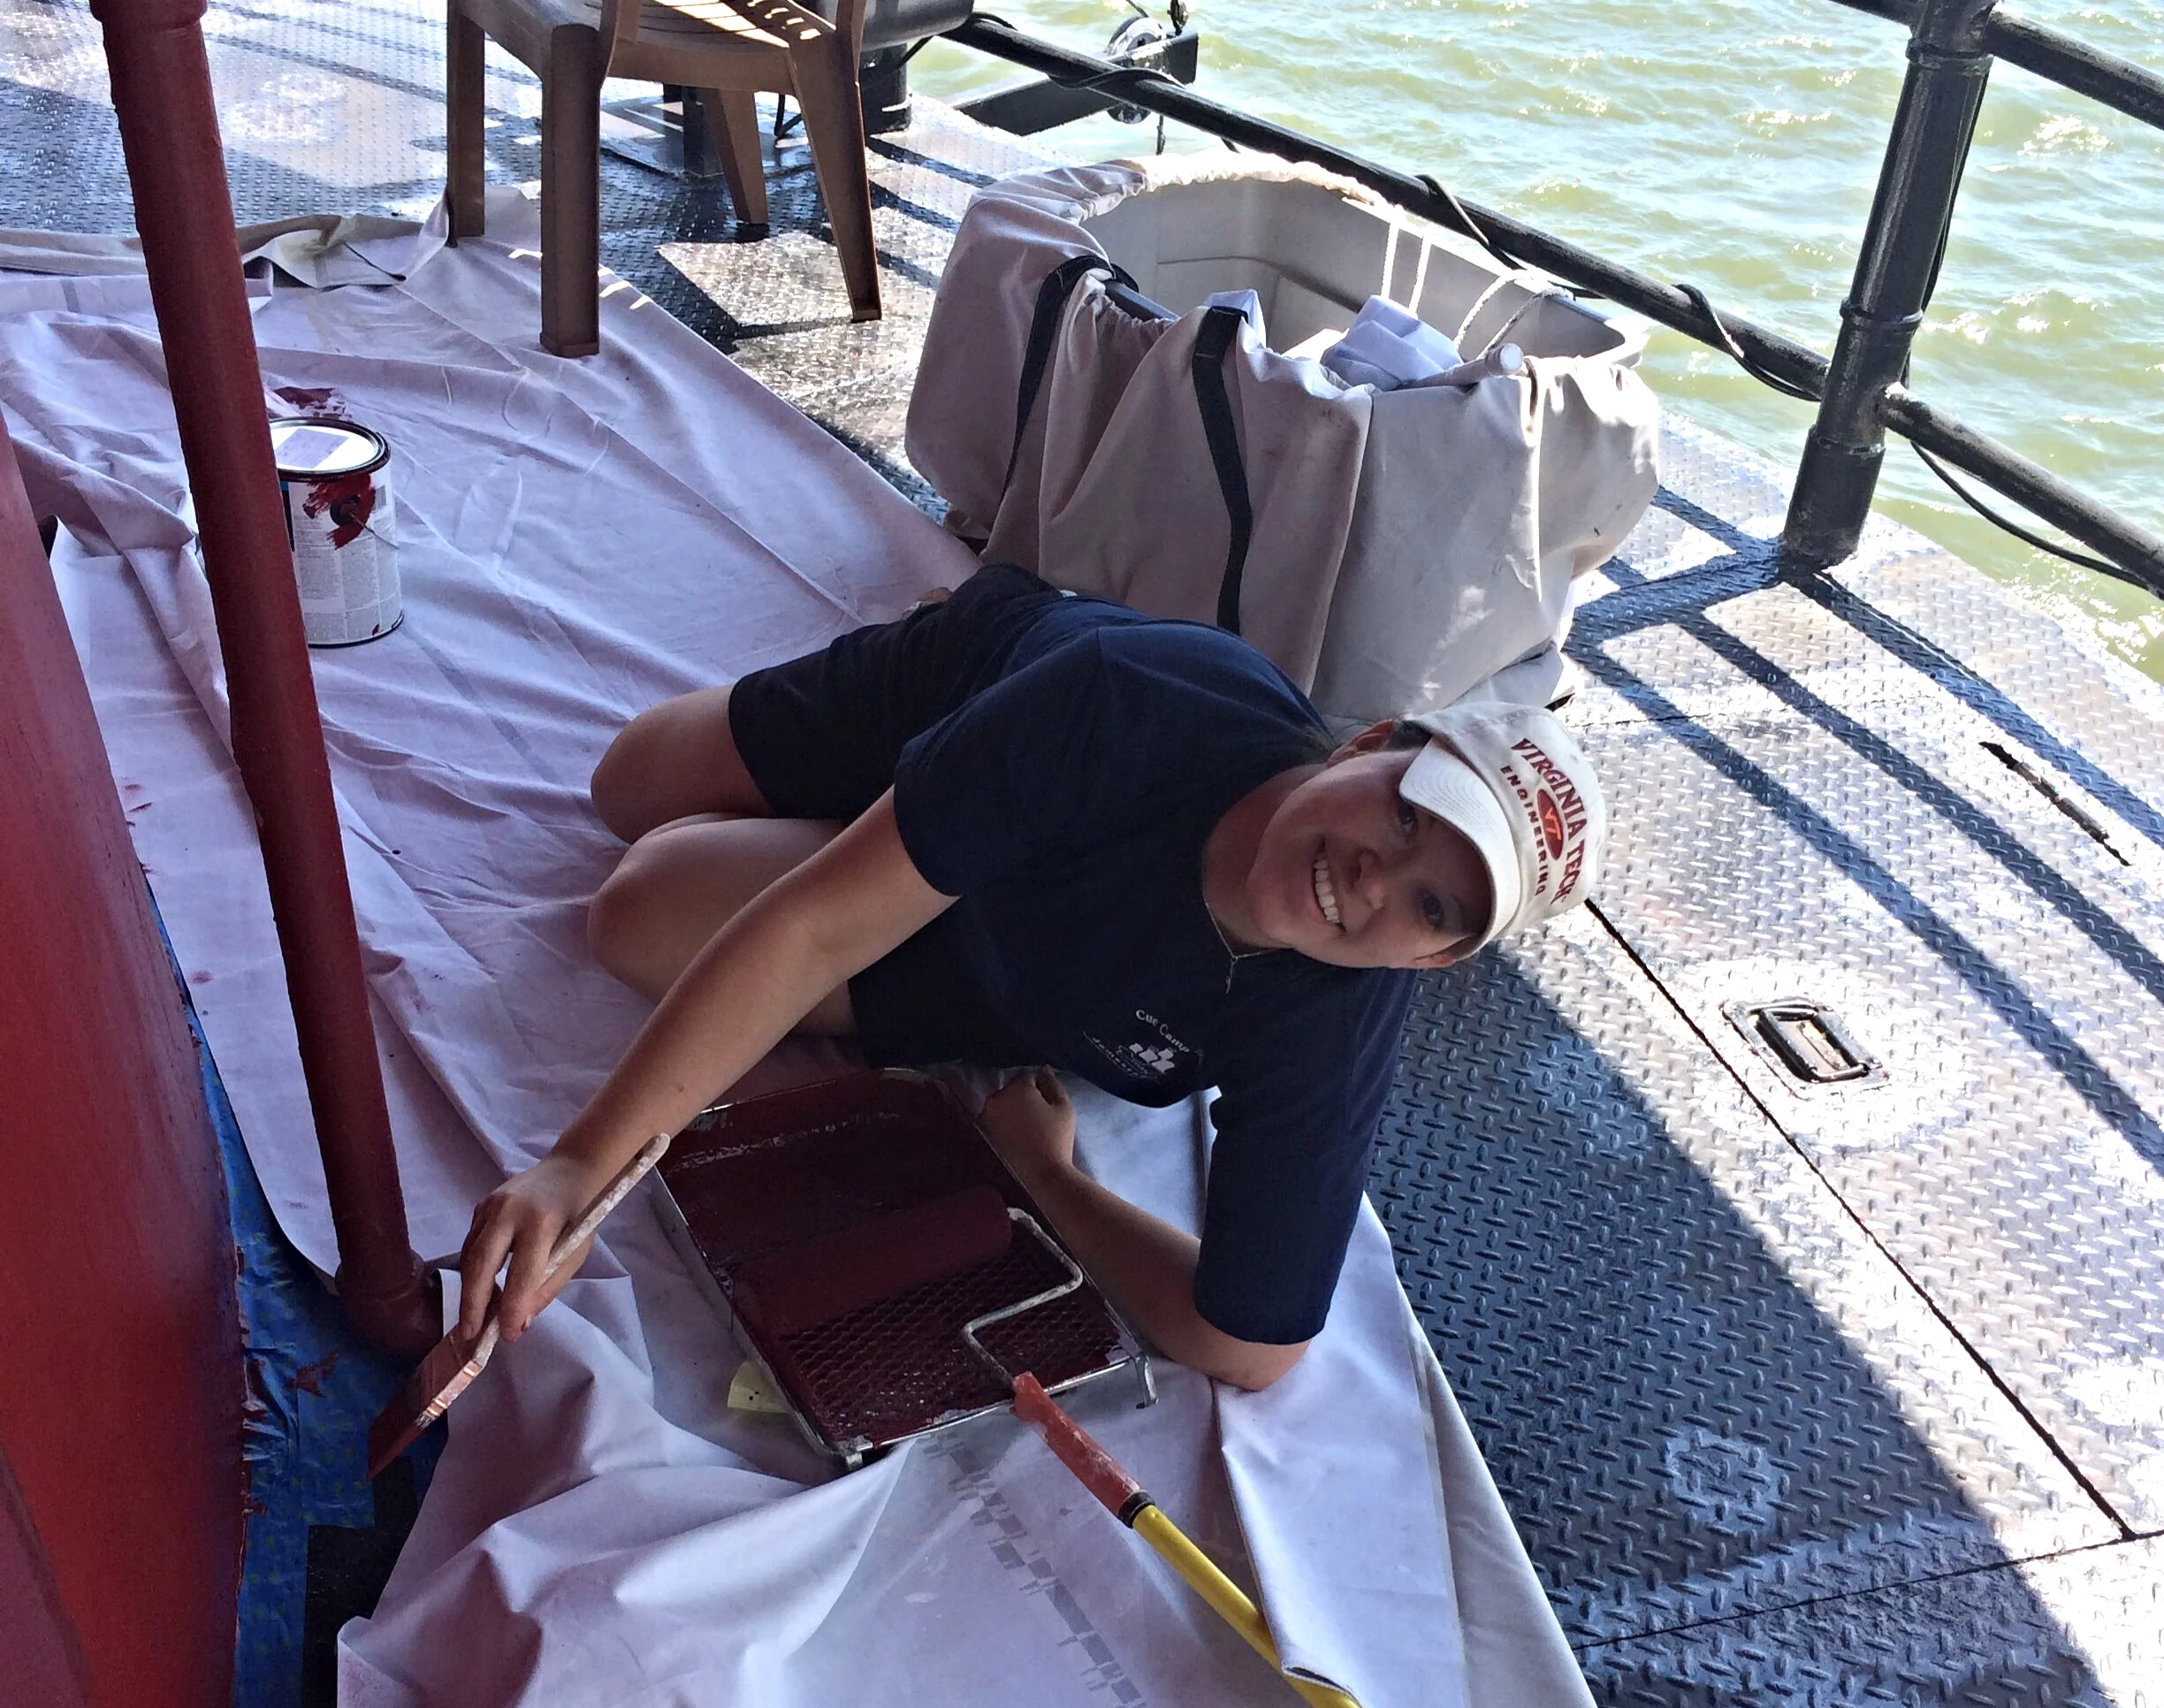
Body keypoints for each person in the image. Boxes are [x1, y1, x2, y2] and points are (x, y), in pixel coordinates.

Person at [458, 563, 1605, 1389]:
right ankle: (910, 808)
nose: (1373, 876)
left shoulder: (1334, 1016)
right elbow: (808, 935)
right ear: (1367, 744)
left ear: (1438, 960)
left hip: (1002, 962)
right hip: (983, 695)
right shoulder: (1130, 701)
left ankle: (904, 855)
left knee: (641, 913)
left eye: (1432, 905)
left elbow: (1251, 1343)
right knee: (628, 788)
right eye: (1405, 816)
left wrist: (1044, 1177)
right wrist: (578, 1166)